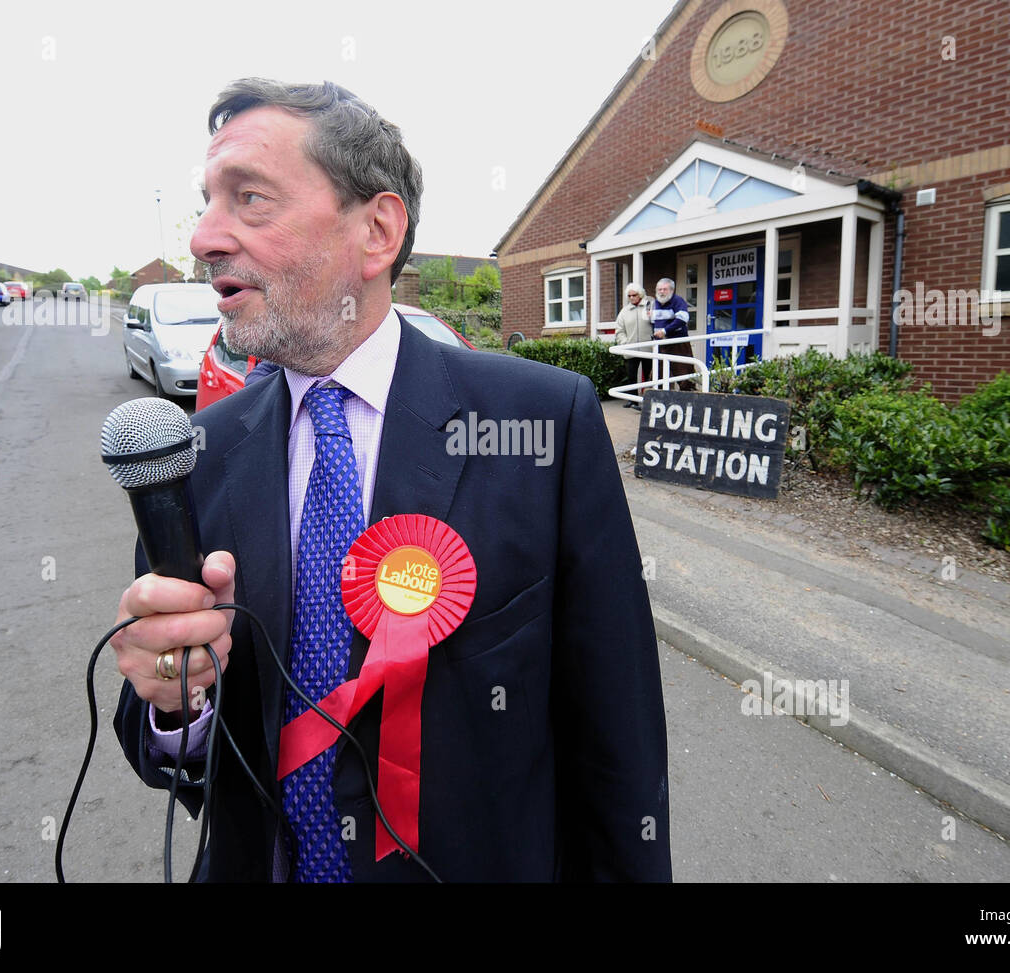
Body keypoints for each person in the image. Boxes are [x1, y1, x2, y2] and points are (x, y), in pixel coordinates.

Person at [108, 79, 671, 883]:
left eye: (249, 198)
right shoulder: (195, 451)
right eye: (206, 203)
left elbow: (618, 741)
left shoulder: (545, 424)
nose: (202, 238)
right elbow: (167, 753)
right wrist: (175, 697)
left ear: (376, 231)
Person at [613, 282, 653, 410]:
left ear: (640, 294)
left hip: (648, 349)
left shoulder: (649, 306)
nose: (631, 298)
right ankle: (632, 401)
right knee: (631, 376)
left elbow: (657, 323)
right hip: (631, 350)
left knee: (649, 376)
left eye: (634, 295)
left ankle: (648, 401)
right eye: (629, 296)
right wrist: (625, 343)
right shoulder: (624, 311)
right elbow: (619, 330)